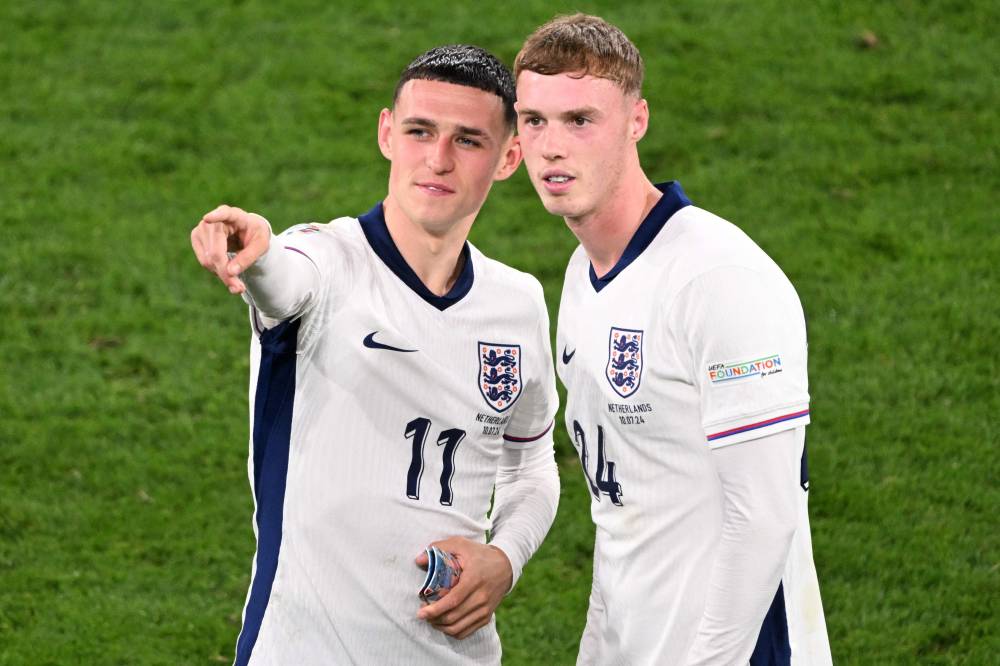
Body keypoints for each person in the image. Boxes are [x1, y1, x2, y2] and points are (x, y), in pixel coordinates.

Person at [190, 45, 559, 665]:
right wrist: (257, 253)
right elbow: (285, 280)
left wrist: (506, 558)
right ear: (387, 133)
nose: (437, 159)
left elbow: (531, 463)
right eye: (420, 131)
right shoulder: (326, 260)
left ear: (508, 158)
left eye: (468, 140)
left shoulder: (517, 304)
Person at [513, 14, 833, 665]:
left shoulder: (720, 279)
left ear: (637, 121)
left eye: (580, 120)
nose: (551, 146)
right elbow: (620, 509)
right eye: (533, 119)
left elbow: (763, 518)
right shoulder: (583, 278)